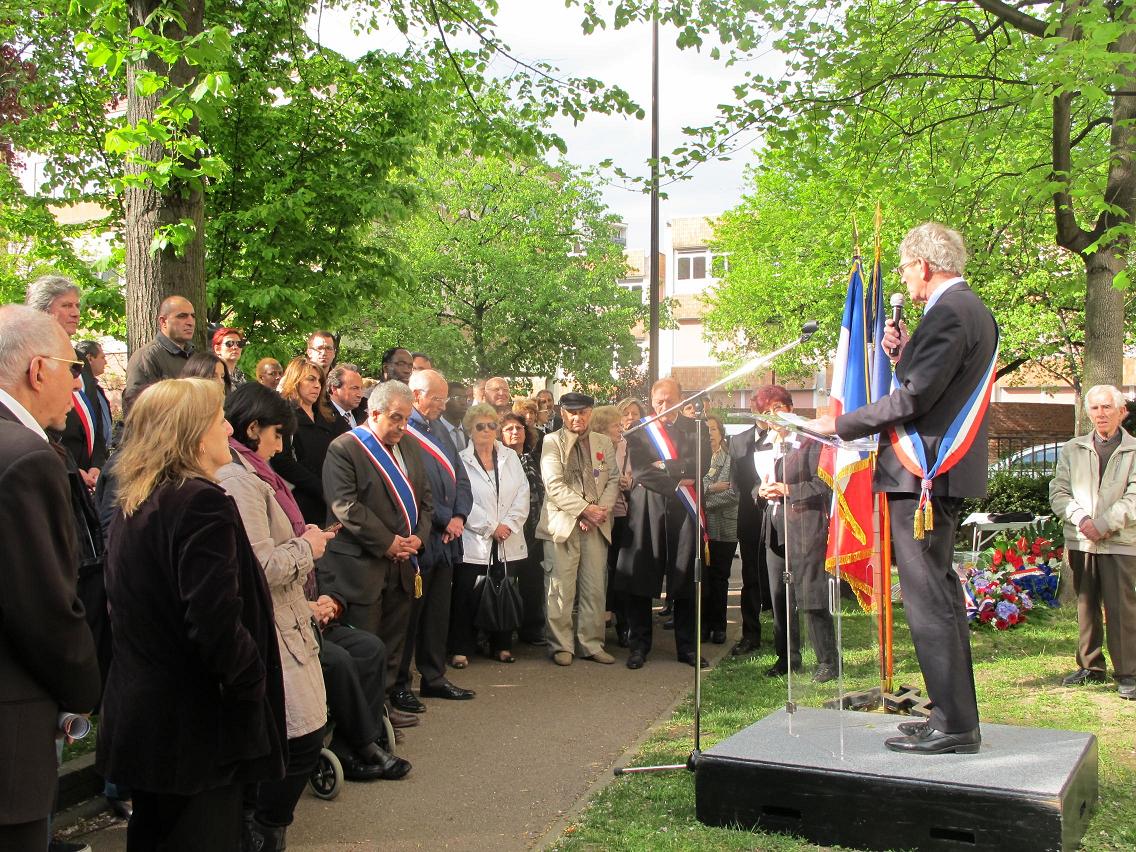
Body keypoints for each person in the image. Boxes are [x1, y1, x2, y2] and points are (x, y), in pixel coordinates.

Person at [810, 221, 997, 755]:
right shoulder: (967, 311)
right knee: (940, 596)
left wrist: (840, 424)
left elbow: (915, 400)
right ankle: (951, 713)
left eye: (905, 266)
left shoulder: (949, 312)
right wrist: (899, 355)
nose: (903, 277)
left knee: (928, 600)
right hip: (935, 472)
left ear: (924, 265)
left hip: (924, 476)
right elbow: (932, 385)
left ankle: (955, 726)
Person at [98, 378, 286, 849]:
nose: (228, 427)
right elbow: (214, 618)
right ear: (192, 433)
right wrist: (250, 685)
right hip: (195, 725)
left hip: (148, 714)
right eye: (218, 418)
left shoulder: (139, 499)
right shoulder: (200, 502)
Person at [0, 305, 101, 851]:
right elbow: (43, 608)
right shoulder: (26, 458)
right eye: (71, 367)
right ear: (38, 370)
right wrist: (85, 688)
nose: (77, 381)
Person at [216, 384, 332, 847]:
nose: (282, 447)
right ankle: (262, 827)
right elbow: (259, 567)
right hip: (270, 627)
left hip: (286, 619)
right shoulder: (238, 479)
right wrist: (309, 545)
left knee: (297, 738)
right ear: (253, 428)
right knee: (300, 740)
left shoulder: (257, 473)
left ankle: (262, 827)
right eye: (278, 435)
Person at [318, 380, 434, 700]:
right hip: (362, 564)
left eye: (407, 418)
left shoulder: (409, 445)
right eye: (395, 418)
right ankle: (365, 717)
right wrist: (388, 542)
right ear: (374, 412)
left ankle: (386, 705)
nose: (402, 426)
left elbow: (425, 499)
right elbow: (346, 506)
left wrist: (417, 540)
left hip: (403, 562)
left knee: (395, 639)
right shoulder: (345, 448)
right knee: (367, 642)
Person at [390, 370, 476, 710]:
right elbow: (412, 485)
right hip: (423, 535)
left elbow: (462, 478)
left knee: (438, 612)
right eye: (435, 398)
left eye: (443, 398)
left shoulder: (441, 430)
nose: (442, 404)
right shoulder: (404, 432)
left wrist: (459, 516)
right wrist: (444, 518)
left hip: (447, 538)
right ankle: (400, 683)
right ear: (416, 395)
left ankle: (434, 676)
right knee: (411, 614)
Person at [616, 378, 711, 669]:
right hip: (649, 506)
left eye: (670, 400)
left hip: (685, 510)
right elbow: (643, 471)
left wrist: (667, 467)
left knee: (685, 577)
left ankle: (687, 647)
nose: (663, 406)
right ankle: (639, 646)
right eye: (658, 401)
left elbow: (702, 465)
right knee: (641, 577)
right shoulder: (640, 430)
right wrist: (677, 478)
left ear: (682, 400)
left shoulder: (697, 427)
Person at [1050, 384, 1136, 701]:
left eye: (1107, 407)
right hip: (1081, 539)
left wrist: (1104, 524)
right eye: (1095, 408)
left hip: (1120, 541)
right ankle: (1090, 666)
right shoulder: (1072, 449)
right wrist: (1082, 520)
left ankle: (1128, 673)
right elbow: (1058, 492)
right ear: (1088, 413)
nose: (1101, 414)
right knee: (1086, 606)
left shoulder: (1133, 450)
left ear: (1121, 411)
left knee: (1121, 608)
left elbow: (1133, 498)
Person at [754, 387, 836, 681]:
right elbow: (757, 484)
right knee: (780, 598)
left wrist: (788, 490)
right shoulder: (766, 444)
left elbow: (823, 484)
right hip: (774, 528)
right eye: (766, 413)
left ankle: (827, 660)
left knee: (810, 595)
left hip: (804, 527)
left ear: (790, 407)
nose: (773, 417)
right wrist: (760, 491)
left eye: (777, 408)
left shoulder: (809, 439)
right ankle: (787, 658)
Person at [537, 393, 619, 666]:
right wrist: (584, 510)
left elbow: (614, 480)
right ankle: (561, 645)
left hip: (596, 525)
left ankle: (591, 643)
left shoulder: (604, 442)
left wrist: (597, 512)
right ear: (562, 413)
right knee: (560, 587)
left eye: (583, 412)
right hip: (562, 525)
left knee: (595, 587)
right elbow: (554, 485)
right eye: (572, 412)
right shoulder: (551, 442)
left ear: (590, 413)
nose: (577, 417)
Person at [452, 404, 529, 665]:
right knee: (466, 594)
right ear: (469, 430)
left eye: (492, 425)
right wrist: (489, 527)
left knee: (503, 588)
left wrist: (508, 524)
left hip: (508, 537)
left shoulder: (511, 457)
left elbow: (523, 493)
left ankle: (502, 645)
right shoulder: (461, 460)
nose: (487, 430)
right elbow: (462, 498)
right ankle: (462, 647)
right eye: (480, 426)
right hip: (475, 539)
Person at [28, 276, 110, 489]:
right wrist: (69, 467)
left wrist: (98, 463)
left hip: (92, 475)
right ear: (43, 312)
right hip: (58, 473)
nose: (76, 312)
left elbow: (95, 417)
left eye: (76, 305)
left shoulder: (80, 358)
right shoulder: (33, 359)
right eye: (66, 306)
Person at [728, 385, 775, 656]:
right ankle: (750, 635)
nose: (765, 413)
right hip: (749, 518)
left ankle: (786, 636)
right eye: (761, 408)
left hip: (778, 516)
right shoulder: (738, 442)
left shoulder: (784, 438)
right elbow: (736, 479)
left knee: (780, 578)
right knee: (750, 578)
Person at [271, 356, 345, 524]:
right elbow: (282, 461)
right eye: (310, 379)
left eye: (319, 380)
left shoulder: (327, 415)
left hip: (332, 498)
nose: (317, 385)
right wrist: (321, 488)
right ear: (295, 380)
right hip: (301, 501)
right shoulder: (284, 414)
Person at [500, 411, 547, 646]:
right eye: (508, 429)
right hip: (509, 529)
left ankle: (532, 628)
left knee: (533, 580)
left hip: (535, 528)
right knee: (507, 580)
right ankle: (504, 631)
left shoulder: (534, 458)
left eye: (518, 428)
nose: (514, 432)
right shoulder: (498, 460)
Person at [121, 295, 196, 413]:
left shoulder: (195, 356)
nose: (190, 322)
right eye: (182, 316)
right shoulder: (146, 357)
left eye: (193, 316)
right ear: (163, 321)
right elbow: (137, 411)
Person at [702, 415, 738, 646]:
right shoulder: (699, 459)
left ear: (721, 433)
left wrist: (704, 499)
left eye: (713, 429)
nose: (709, 434)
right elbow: (695, 487)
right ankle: (704, 626)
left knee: (720, 579)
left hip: (725, 527)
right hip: (703, 529)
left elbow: (733, 493)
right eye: (705, 430)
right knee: (704, 579)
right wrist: (711, 488)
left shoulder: (731, 460)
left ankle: (720, 627)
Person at [327, 363, 367, 427]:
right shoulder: (321, 416)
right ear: (334, 389)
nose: (360, 395)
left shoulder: (364, 414)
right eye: (354, 388)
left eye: (361, 388)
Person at [439, 381, 472, 451]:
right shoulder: (434, 430)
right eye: (458, 398)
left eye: (465, 398)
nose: (463, 403)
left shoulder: (470, 430)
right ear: (445, 400)